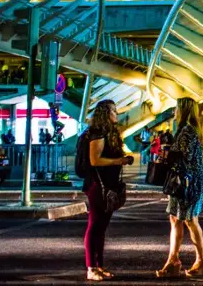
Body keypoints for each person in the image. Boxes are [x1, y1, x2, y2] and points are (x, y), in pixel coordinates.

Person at [156, 98, 203, 278]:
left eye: (177, 108)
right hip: (182, 182)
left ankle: (202, 259)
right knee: (175, 219)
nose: (175, 112)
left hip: (188, 183)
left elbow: (184, 156)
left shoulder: (187, 131)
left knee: (190, 220)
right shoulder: (187, 130)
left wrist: (166, 153)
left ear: (184, 110)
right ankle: (173, 259)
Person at [82, 100, 134, 281]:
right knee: (94, 226)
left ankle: (99, 265)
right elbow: (95, 160)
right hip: (97, 185)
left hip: (109, 184)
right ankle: (91, 268)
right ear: (106, 113)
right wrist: (118, 161)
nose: (117, 114)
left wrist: (122, 159)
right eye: (114, 111)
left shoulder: (109, 132)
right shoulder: (97, 133)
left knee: (102, 228)